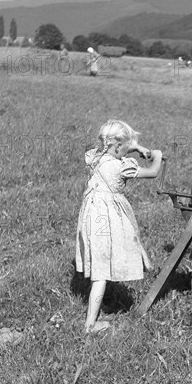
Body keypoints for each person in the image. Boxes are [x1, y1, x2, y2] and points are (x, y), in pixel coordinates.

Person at [75, 119, 164, 333]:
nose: (127, 153)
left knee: (99, 257)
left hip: (91, 214)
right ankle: (90, 324)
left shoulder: (96, 157)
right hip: (107, 217)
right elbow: (152, 172)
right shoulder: (121, 166)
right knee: (101, 273)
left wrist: (135, 147)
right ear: (117, 147)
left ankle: (97, 305)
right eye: (125, 148)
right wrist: (158, 156)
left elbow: (115, 148)